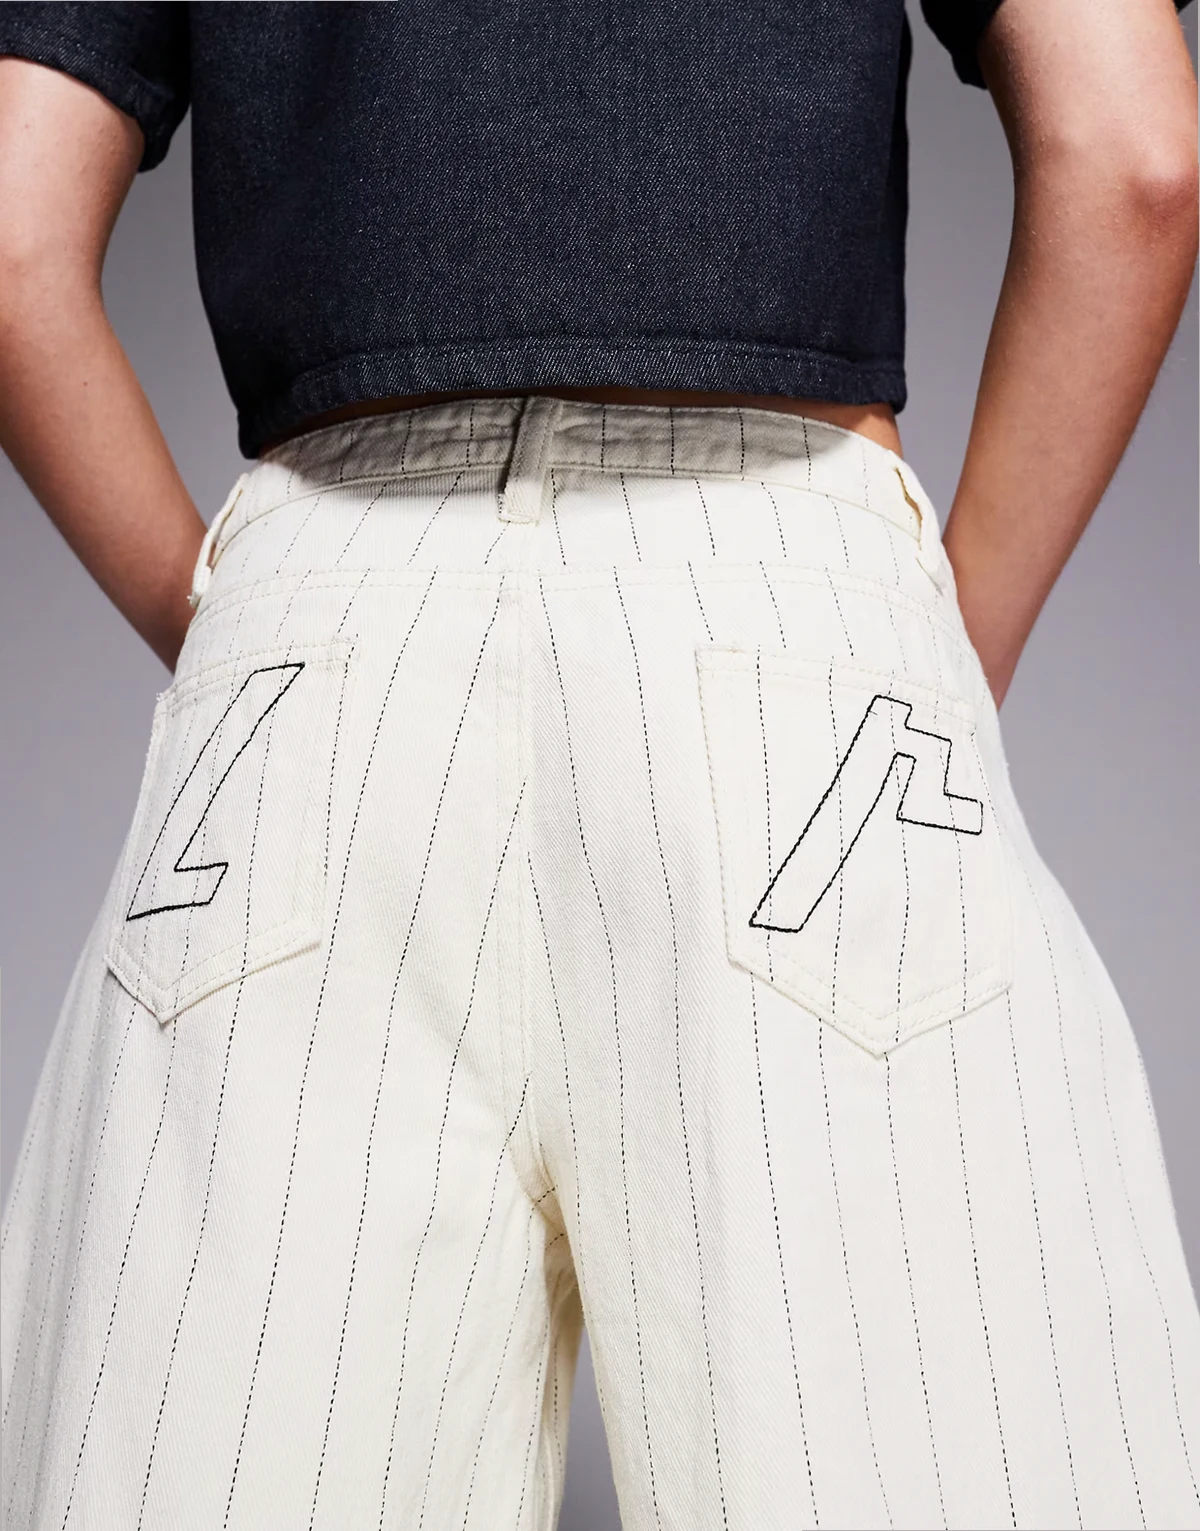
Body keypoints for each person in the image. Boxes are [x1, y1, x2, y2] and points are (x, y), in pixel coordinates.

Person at [0, 1, 1197, 1526]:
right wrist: (940, 666)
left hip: (326, 620)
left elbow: (13, 238)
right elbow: (1132, 150)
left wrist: (259, 645)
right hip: (782, 604)